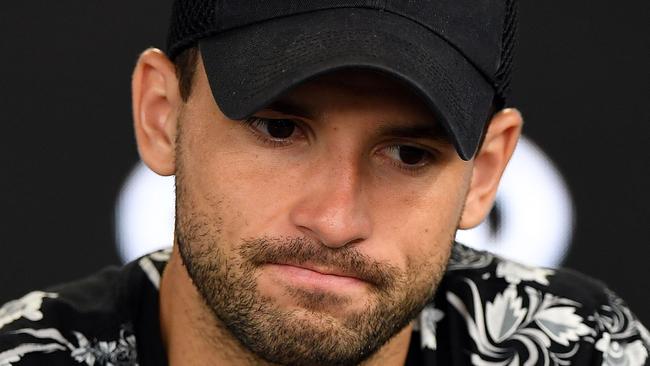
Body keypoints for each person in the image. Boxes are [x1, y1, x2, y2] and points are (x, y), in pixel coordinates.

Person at [1, 0, 648, 365]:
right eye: (279, 129)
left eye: (408, 152)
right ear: (162, 116)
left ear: (484, 173)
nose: (337, 219)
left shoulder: (582, 347)